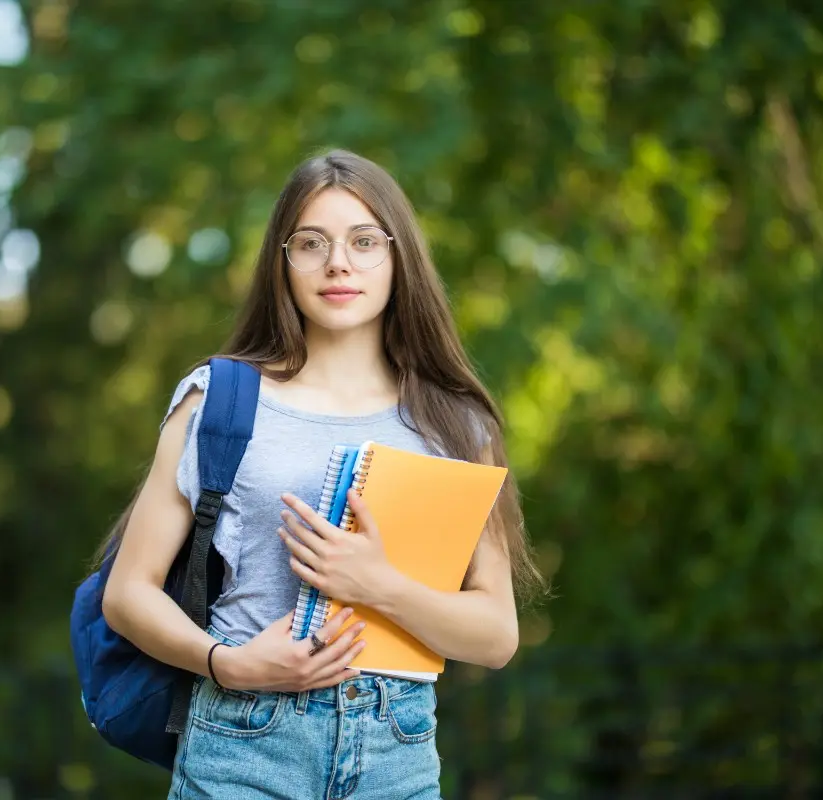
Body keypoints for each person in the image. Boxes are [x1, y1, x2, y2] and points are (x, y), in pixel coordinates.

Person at [102, 149, 542, 799]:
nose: (338, 262)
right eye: (311, 243)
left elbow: (496, 636)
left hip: (396, 752)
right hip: (242, 744)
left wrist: (377, 584)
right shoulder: (219, 401)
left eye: (364, 241)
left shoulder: (455, 422)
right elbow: (127, 594)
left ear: (399, 258)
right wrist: (230, 664)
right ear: (282, 262)